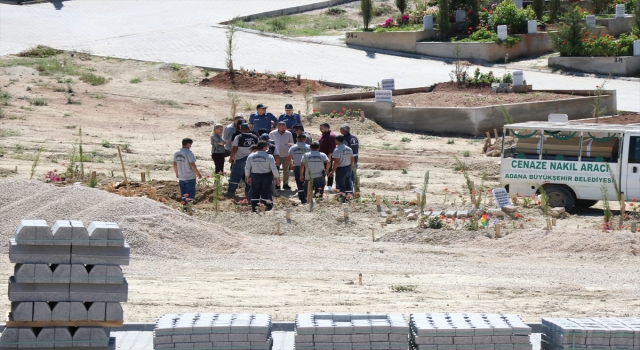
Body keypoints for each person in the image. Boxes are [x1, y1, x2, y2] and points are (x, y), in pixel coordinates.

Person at [245, 141, 281, 212]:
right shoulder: (269, 156)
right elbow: (274, 168)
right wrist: (277, 178)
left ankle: (255, 208)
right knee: (266, 192)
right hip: (266, 176)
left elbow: (247, 167)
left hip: (255, 176)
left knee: (255, 192)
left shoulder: (251, 156)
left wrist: (247, 177)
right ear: (265, 147)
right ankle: (266, 207)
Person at [227, 123, 259, 198]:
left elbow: (235, 148)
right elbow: (258, 148)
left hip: (240, 159)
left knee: (235, 176)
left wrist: (231, 158)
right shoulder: (255, 137)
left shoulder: (238, 137)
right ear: (249, 129)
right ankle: (248, 192)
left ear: (240, 129)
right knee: (249, 176)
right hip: (252, 159)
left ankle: (231, 192)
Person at [173, 138, 203, 211]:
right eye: (190, 144)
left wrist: (177, 173)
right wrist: (198, 173)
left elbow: (174, 164)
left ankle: (184, 207)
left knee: (183, 193)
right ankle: (188, 208)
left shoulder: (176, 153)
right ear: (188, 144)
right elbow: (192, 164)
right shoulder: (189, 153)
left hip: (181, 176)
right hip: (189, 176)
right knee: (190, 193)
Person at [269, 121, 294, 190]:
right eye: (282, 128)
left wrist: (290, 145)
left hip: (285, 154)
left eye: (285, 128)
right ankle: (277, 184)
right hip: (276, 155)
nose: (284, 129)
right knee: (276, 170)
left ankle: (285, 184)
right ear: (278, 127)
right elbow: (269, 144)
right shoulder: (272, 133)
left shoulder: (289, 134)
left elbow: (292, 143)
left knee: (286, 170)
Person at [329, 135, 354, 202]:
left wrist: (333, 171)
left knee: (341, 184)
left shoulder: (337, 150)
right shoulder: (349, 149)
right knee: (348, 183)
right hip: (348, 167)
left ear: (336, 140)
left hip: (341, 169)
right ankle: (349, 198)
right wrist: (351, 167)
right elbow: (352, 159)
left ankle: (342, 199)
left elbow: (336, 162)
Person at [288, 134, 310, 204]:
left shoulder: (292, 148)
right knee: (307, 181)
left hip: (297, 166)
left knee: (299, 182)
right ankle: (308, 196)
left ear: (296, 139)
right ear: (305, 139)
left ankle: (302, 198)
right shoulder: (308, 147)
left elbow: (288, 157)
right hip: (307, 166)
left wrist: (291, 165)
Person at [318, 122, 336, 188]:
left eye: (321, 128)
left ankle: (329, 185)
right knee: (321, 172)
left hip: (328, 157)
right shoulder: (322, 135)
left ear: (326, 128)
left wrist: (328, 158)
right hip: (321, 157)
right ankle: (322, 184)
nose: (320, 129)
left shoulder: (331, 136)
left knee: (328, 171)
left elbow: (332, 148)